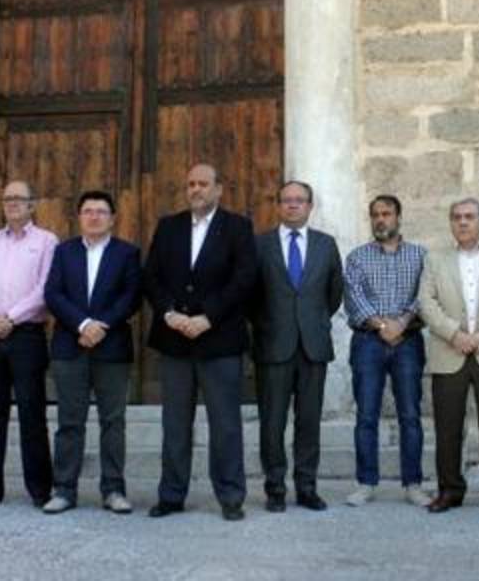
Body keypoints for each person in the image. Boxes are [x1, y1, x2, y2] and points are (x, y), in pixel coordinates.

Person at [144, 164, 258, 521]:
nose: (196, 190)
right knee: (175, 423)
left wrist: (207, 316)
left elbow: (244, 279)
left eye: (203, 184)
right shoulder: (168, 226)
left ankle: (230, 496)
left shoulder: (238, 228)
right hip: (175, 339)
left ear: (218, 189)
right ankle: (172, 494)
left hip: (219, 339)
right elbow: (152, 277)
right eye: (191, 184)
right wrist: (169, 314)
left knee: (225, 424)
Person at [42, 190, 143, 514]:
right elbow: (53, 294)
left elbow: (131, 297)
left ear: (112, 218)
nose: (94, 216)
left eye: (101, 211)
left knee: (113, 421)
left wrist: (101, 325)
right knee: (70, 421)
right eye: (88, 211)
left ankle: (113, 489)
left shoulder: (127, 253)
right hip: (70, 346)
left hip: (111, 347)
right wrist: (83, 324)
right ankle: (64, 490)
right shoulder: (64, 252)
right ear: (80, 216)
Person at [418, 198, 479, 514]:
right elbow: (426, 302)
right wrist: (455, 334)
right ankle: (449, 489)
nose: (463, 222)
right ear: (450, 223)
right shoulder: (435, 260)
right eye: (457, 217)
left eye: (470, 217)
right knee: (447, 427)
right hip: (449, 351)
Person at [0, 180, 57, 508]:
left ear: (32, 205)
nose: (13, 204)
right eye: (8, 199)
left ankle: (40, 488)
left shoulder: (47, 241)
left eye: (20, 199)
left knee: (32, 413)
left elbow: (45, 289)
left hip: (27, 335)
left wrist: (11, 318)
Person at [252, 181, 344, 513]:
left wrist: (313, 320)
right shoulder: (259, 245)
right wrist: (267, 324)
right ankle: (275, 488)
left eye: (299, 201)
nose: (293, 206)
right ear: (278, 205)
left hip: (313, 347)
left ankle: (307, 487)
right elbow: (251, 295)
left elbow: (334, 293)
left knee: (309, 422)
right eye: (287, 200)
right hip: (273, 345)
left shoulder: (325, 245)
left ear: (310, 206)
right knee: (272, 423)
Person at [343, 194, 430, 508]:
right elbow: (353, 297)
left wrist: (402, 323)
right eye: (376, 215)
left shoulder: (421, 256)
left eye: (387, 214)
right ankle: (366, 483)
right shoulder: (357, 257)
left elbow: (426, 294)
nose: (381, 220)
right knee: (366, 415)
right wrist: (383, 326)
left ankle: (413, 484)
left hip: (408, 342)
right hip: (368, 342)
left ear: (399, 217)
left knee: (410, 414)